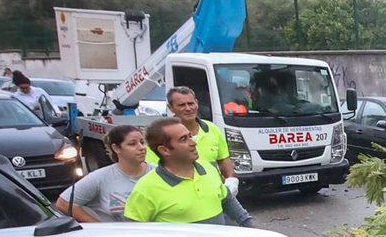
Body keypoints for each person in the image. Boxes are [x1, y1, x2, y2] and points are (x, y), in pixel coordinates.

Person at [124, 117, 253, 227]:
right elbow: (134, 233)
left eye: (190, 136)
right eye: (183, 139)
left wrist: (249, 226)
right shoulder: (146, 188)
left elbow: (227, 201)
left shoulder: (208, 169)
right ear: (164, 150)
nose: (193, 143)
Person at [54, 124, 148, 222]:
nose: (141, 147)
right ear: (116, 148)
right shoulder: (101, 177)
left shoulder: (158, 173)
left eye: (142, 142)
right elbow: (63, 203)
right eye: (132, 144)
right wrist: (98, 226)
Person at [148, 86, 234, 179]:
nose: (188, 108)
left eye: (191, 103)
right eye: (182, 105)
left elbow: (223, 161)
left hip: (212, 190)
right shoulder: (161, 134)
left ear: (196, 103)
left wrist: (231, 183)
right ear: (170, 108)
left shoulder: (212, 129)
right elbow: (153, 169)